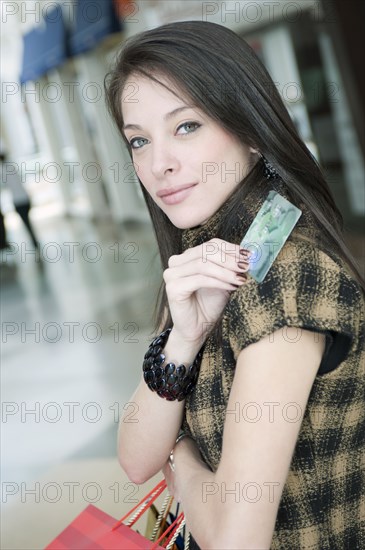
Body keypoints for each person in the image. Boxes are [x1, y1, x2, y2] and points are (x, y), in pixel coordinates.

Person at [104, 21, 365, 549]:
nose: (160, 164)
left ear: (248, 127)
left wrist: (179, 455)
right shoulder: (207, 255)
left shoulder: (287, 280)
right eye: (139, 140)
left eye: (186, 127)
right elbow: (134, 458)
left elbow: (234, 542)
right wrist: (183, 339)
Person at [0, 152, 39, 250]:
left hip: (18, 201)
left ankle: (34, 243)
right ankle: (34, 242)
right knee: (28, 222)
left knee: (26, 223)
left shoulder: (3, 171)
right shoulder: (13, 167)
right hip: (25, 198)